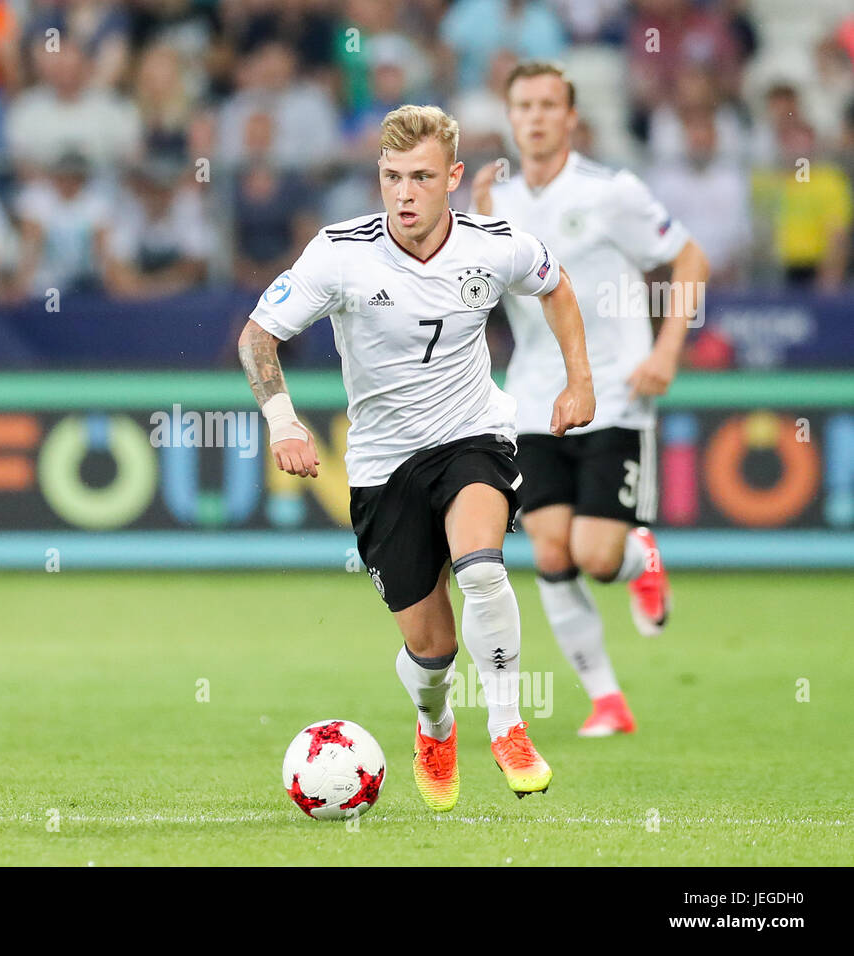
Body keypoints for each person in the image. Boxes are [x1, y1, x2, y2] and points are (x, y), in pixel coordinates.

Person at [238, 104, 596, 813]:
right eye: (392, 176)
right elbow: (256, 338)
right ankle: (435, 725)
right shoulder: (339, 253)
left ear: (453, 178)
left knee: (483, 568)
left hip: (473, 436)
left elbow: (555, 285)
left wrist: (579, 379)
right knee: (432, 651)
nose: (404, 193)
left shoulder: (496, 246)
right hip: (381, 465)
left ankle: (509, 726)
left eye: (422, 177)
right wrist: (282, 421)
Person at [472, 61, 710, 737]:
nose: (538, 116)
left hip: (614, 392)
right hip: (534, 399)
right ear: (511, 116)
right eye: (525, 105)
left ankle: (641, 558)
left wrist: (666, 352)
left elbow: (690, 260)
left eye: (551, 104)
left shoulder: (614, 192)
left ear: (571, 117)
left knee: (595, 555)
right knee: (550, 552)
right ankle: (608, 700)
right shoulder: (493, 203)